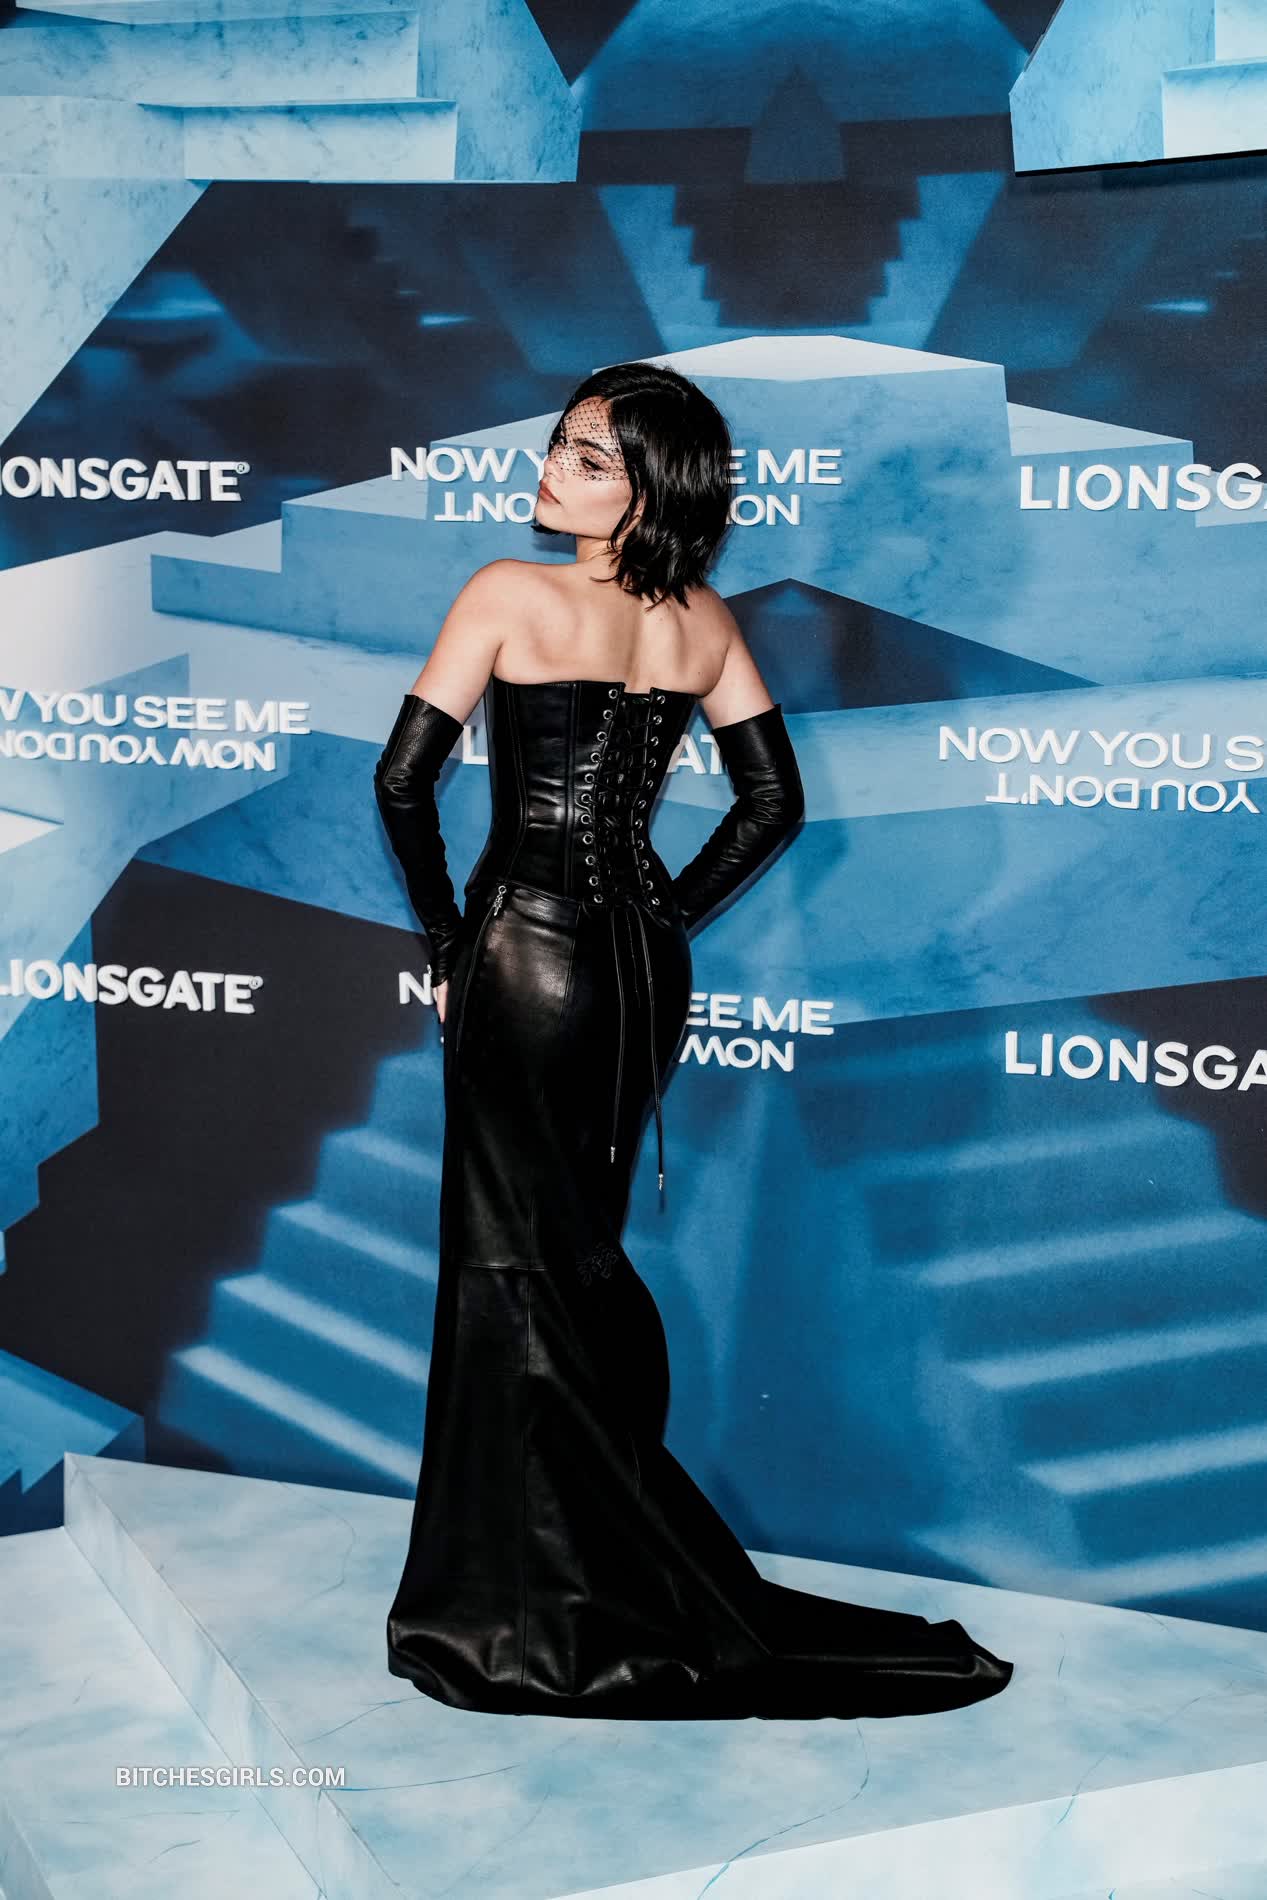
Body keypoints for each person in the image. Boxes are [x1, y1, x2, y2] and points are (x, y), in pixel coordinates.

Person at [373, 361, 1013, 1719]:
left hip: (522, 956)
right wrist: (663, 913)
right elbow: (772, 804)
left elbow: (402, 783)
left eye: (590, 457)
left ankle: (523, 1612)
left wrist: (445, 945)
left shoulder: (506, 594)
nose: (552, 467)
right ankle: (571, 1572)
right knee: (570, 1260)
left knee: (512, 1271)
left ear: (650, 489)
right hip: (635, 977)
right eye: (560, 443)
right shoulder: (701, 620)